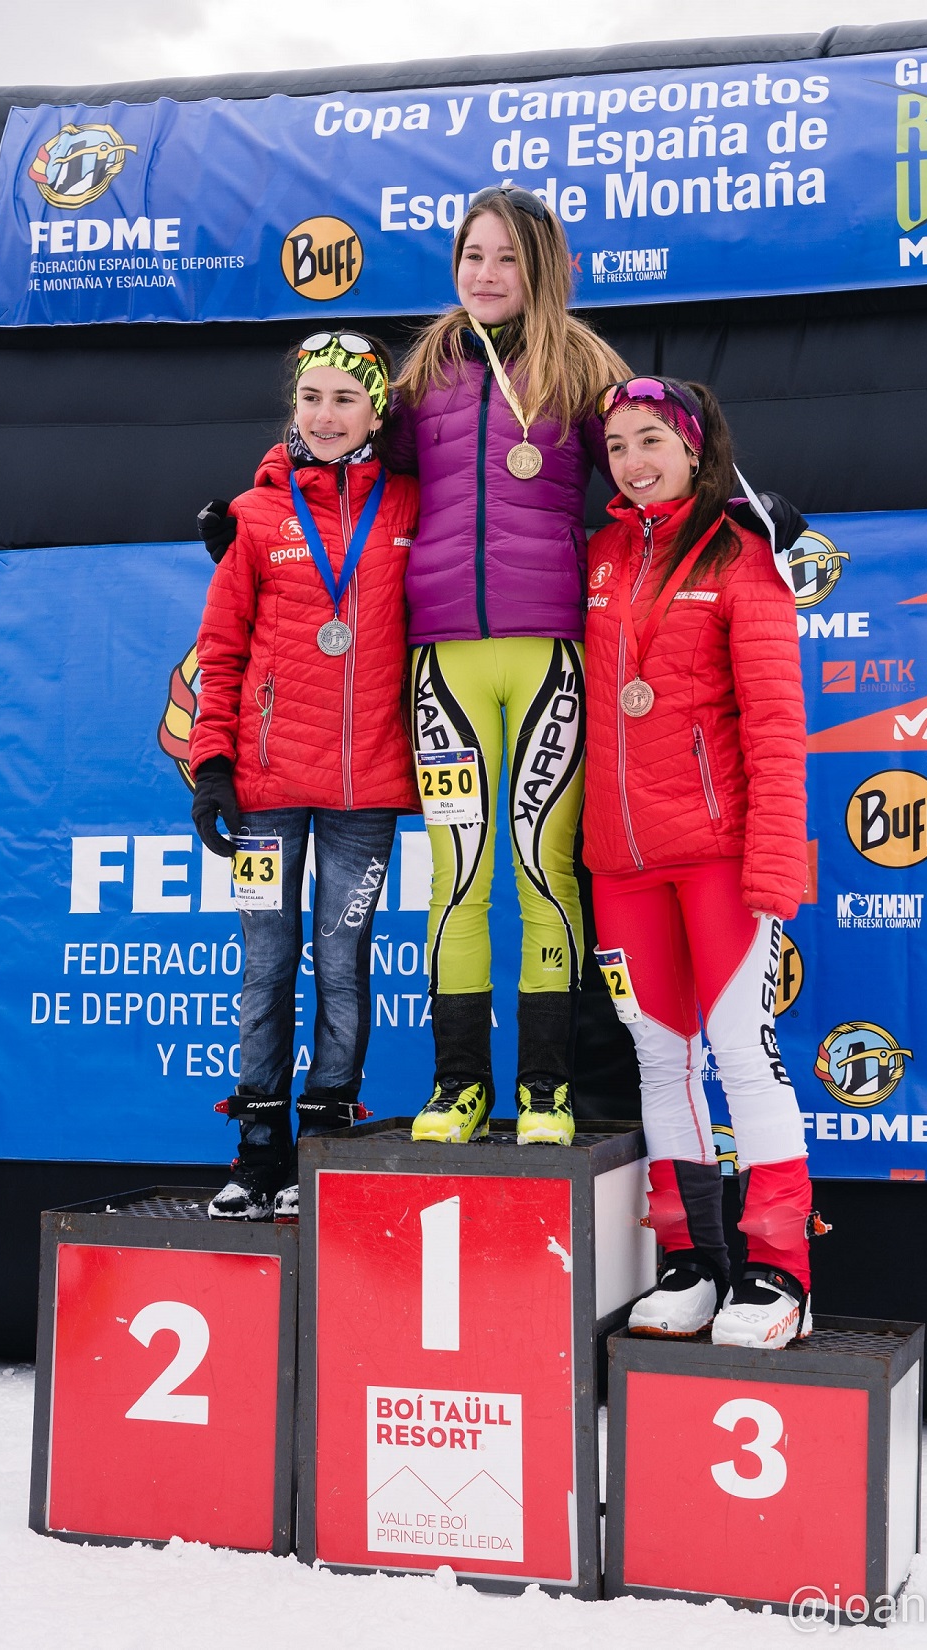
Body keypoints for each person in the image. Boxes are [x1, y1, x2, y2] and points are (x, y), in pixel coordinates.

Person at [391, 186, 632, 1146]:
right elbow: (347, 464)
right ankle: (457, 1086)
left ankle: (545, 1088)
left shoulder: (585, 368)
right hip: (443, 655)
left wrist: (742, 507)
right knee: (461, 872)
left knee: (544, 868)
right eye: (472, 256)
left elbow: (655, 462)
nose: (486, 275)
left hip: (549, 653)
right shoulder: (422, 374)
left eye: (506, 258)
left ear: (541, 268)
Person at [582, 374, 818, 1350]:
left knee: (741, 1057)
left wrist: (772, 866)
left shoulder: (739, 551)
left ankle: (775, 1272)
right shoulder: (594, 552)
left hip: (718, 857)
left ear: (693, 447)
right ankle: (689, 1261)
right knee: (659, 1059)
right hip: (622, 860)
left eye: (651, 442)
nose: (634, 464)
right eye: (617, 449)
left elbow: (773, 721)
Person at [188, 331, 419, 1219]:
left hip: (367, 785)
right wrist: (211, 763)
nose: (325, 415)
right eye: (311, 397)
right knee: (265, 962)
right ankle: (256, 1149)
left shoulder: (407, 504)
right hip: (268, 783)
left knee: (342, 960)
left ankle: (320, 1144)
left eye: (345, 399)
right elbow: (222, 646)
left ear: (375, 411)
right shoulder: (253, 516)